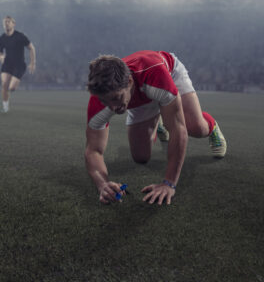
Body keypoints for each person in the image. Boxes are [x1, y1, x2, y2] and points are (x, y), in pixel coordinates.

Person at [83, 51, 228, 205]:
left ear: (130, 82)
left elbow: (178, 130)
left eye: (116, 98)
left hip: (168, 75)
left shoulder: (156, 76)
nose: (112, 107)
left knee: (196, 128)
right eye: (105, 101)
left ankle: (211, 126)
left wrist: (169, 183)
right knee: (141, 157)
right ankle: (160, 118)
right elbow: (93, 151)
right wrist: (103, 184)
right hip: (140, 95)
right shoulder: (100, 98)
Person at [0, 16, 34, 113]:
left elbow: (31, 48)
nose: (6, 23)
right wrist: (1, 57)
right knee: (4, 84)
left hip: (19, 64)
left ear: (13, 24)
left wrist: (33, 62)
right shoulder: (1, 39)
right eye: (5, 22)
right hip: (7, 64)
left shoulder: (20, 36)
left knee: (11, 88)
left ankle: (12, 86)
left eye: (8, 22)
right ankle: (5, 107)